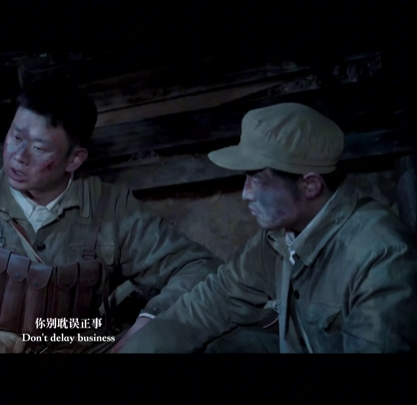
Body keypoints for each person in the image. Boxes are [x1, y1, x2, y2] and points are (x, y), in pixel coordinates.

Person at [0, 82, 223, 353]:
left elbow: (197, 267)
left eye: (39, 148)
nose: (18, 156)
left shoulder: (112, 208)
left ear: (74, 159)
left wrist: (149, 322)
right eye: (16, 137)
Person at [116, 102, 417, 353]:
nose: (245, 193)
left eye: (257, 179)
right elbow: (214, 300)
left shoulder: (381, 258)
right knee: (220, 345)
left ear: (310, 185)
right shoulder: (278, 238)